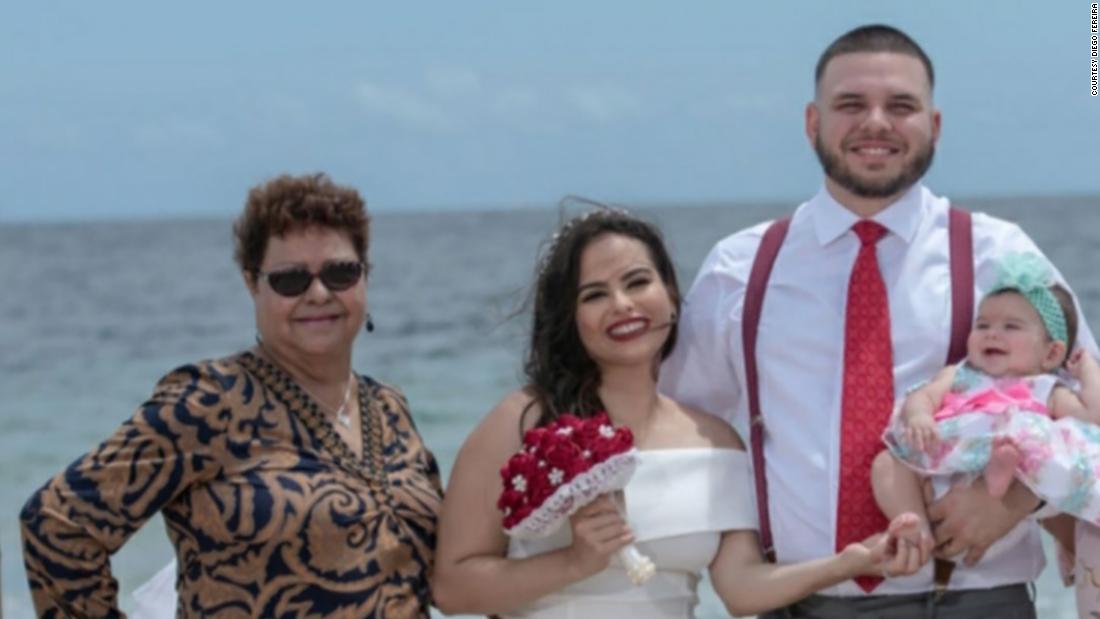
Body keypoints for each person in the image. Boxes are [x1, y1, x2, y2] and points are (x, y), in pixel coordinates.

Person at [658, 24, 1099, 618]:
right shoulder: (740, 267)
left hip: (974, 601)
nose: (875, 123)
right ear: (812, 123)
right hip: (798, 602)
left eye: (900, 106)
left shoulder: (999, 255)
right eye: (850, 104)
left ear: (933, 125)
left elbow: (1086, 413)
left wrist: (1020, 499)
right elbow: (683, 433)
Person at [431, 206, 925, 619]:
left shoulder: (715, 440)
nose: (622, 305)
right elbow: (451, 589)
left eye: (637, 282)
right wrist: (575, 562)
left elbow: (740, 589)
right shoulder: (523, 421)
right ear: (569, 318)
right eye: (594, 295)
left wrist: (849, 563)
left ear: (670, 294)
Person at [20, 173, 443, 618]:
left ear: (365, 275)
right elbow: (56, 524)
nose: (319, 294)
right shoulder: (208, 403)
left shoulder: (389, 408)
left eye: (340, 273)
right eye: (290, 279)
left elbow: (449, 574)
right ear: (251, 283)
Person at [872, 253, 1100, 561]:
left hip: (999, 468)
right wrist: (919, 415)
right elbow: (923, 395)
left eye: (1011, 326)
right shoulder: (959, 374)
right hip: (941, 456)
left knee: (1040, 443)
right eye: (982, 325)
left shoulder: (1046, 389)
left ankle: (999, 477)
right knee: (886, 463)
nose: (992, 333)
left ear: (1051, 353)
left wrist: (1088, 368)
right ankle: (916, 526)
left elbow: (1091, 419)